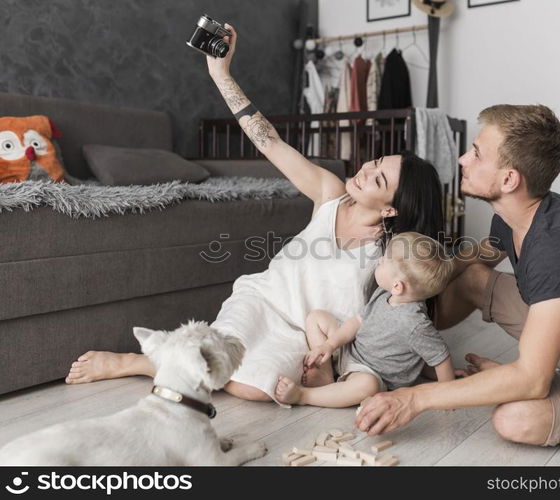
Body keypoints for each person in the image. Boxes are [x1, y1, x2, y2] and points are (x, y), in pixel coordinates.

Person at [65, 24, 446, 404]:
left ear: (392, 208)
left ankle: (163, 363)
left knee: (251, 386)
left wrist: (435, 368)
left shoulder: (396, 253)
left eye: (378, 178)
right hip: (263, 300)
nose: (364, 170)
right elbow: (270, 143)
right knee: (220, 358)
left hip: (311, 335)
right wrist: (221, 74)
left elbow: (405, 312)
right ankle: (136, 362)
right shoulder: (330, 192)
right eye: (375, 161)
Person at [356, 104, 560, 446]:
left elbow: (533, 381)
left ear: (509, 180)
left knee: (516, 419)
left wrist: (415, 398)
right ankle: (397, 352)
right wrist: (425, 270)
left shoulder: (557, 244)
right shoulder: (515, 215)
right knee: (468, 279)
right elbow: (477, 256)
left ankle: (545, 377)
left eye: (477, 154)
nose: (464, 159)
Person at [275, 232, 458, 407]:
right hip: (353, 350)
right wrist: (329, 345)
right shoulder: (383, 294)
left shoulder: (416, 325)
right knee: (317, 317)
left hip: (371, 372)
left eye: (384, 261)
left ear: (397, 286)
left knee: (367, 386)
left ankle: (304, 395)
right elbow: (358, 321)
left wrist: (446, 395)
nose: (379, 260)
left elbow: (440, 357)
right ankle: (326, 375)